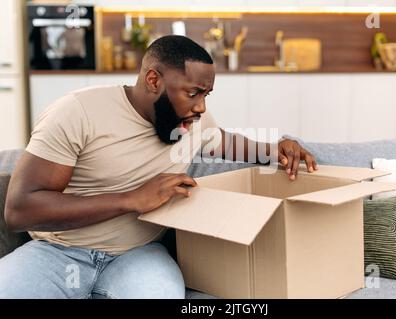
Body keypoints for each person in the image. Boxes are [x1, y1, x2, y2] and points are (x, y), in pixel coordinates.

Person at [0, 35, 317, 299]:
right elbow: (20, 209)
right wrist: (131, 199)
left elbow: (222, 141)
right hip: (57, 252)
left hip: (138, 254)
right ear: (153, 80)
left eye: (206, 94)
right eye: (193, 93)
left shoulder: (193, 120)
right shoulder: (77, 112)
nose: (202, 106)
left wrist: (275, 150)